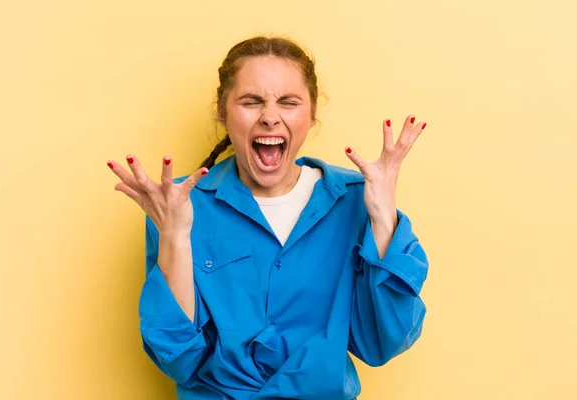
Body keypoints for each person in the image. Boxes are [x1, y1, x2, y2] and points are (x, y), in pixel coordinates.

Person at [106, 36, 429, 400]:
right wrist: (175, 237)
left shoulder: (358, 199)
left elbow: (382, 342)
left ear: (311, 114)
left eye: (289, 102)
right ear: (222, 110)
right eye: (251, 102)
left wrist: (383, 216)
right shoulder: (177, 205)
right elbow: (178, 358)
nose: (270, 117)